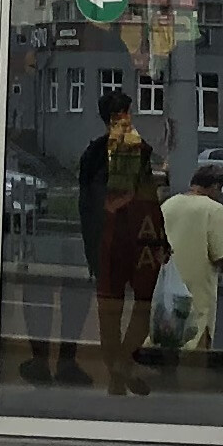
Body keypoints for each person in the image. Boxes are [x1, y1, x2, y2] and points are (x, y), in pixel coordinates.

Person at [78, 94, 165, 396]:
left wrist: (91, 248)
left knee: (110, 312)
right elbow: (149, 200)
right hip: (136, 241)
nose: (128, 118)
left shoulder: (93, 154)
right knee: (142, 307)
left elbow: (86, 206)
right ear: (121, 115)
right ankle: (122, 364)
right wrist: (160, 240)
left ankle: (117, 372)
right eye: (126, 112)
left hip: (111, 240)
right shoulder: (135, 149)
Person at [157, 160, 223, 374]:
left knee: (169, 331)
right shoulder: (214, 210)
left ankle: (167, 372)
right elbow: (221, 256)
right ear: (215, 187)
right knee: (196, 336)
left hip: (168, 283)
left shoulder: (168, 205)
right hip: (198, 289)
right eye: (219, 189)